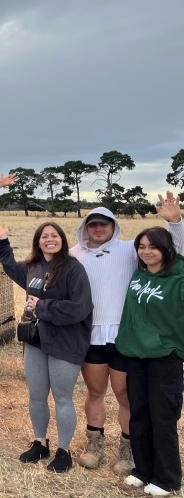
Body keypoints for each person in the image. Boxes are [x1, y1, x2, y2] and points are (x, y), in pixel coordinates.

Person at [69, 195, 184, 474]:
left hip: (124, 336)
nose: (98, 229)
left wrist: (175, 222)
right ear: (85, 227)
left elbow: (173, 252)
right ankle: (94, 443)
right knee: (95, 392)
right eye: (93, 225)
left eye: (104, 224)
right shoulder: (74, 254)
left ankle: (128, 447)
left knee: (125, 395)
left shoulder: (129, 251)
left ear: (114, 226)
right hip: (91, 335)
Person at [0, 222, 93, 473]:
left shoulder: (73, 268)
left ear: (62, 240)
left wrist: (42, 307)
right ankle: (41, 443)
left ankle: (64, 451)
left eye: (54, 235)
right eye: (44, 236)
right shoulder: (33, 267)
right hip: (36, 339)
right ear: (38, 241)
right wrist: (4, 241)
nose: (50, 239)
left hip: (65, 340)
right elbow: (10, 267)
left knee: (62, 397)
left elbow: (79, 308)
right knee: (37, 394)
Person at [117, 225, 184, 496]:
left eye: (153, 247)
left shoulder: (179, 277)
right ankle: (142, 471)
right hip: (135, 355)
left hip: (165, 358)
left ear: (167, 249)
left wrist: (176, 222)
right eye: (142, 247)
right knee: (139, 416)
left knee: (163, 417)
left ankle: (167, 478)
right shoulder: (138, 274)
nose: (146, 252)